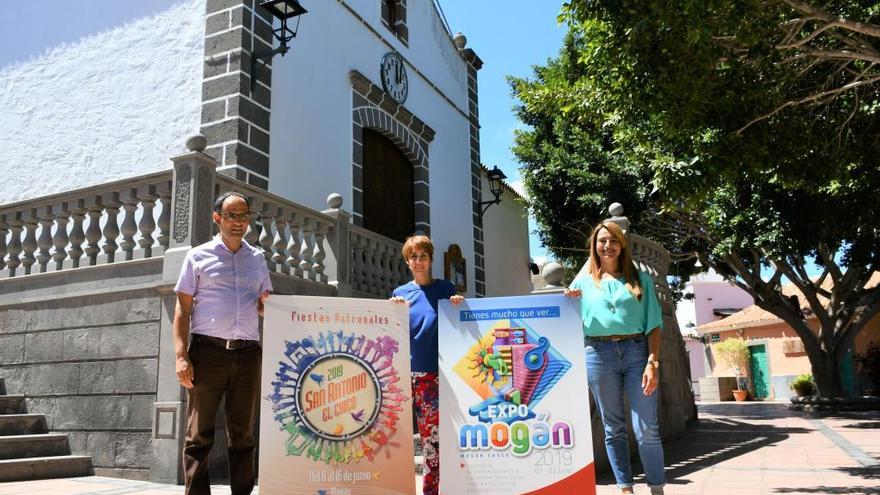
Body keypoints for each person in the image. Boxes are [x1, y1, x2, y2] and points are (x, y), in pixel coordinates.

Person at [173, 191, 272, 495]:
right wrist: (181, 355)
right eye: (231, 215)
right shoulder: (198, 256)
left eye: (244, 216)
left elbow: (265, 303)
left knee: (243, 435)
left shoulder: (257, 258)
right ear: (217, 218)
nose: (239, 222)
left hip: (247, 355)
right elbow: (182, 309)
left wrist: (266, 305)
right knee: (198, 436)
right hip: (207, 353)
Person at [565, 221, 665, 495]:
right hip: (598, 354)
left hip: (636, 353)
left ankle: (656, 488)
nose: (607, 246)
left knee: (646, 428)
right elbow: (565, 313)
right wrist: (569, 298)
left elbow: (654, 325)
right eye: (602, 241)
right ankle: (625, 488)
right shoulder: (583, 282)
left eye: (612, 240)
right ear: (594, 247)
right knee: (613, 428)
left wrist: (652, 362)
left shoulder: (640, 280)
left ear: (621, 245)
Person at [390, 235, 463, 495]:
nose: (418, 261)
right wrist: (391, 311)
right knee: (391, 438)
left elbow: (460, 326)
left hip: (431, 377)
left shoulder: (446, 289)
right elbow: (390, 332)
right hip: (398, 377)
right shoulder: (399, 294)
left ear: (431, 259)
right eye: (413, 257)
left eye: (423, 256)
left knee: (431, 441)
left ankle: (430, 492)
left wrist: (458, 305)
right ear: (407, 262)